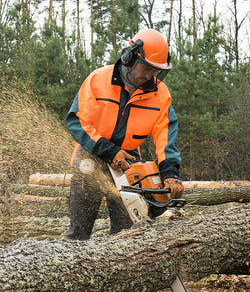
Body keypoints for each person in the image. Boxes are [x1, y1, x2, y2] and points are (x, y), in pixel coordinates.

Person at [65, 28, 184, 240]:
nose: (150, 75)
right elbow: (77, 121)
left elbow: (166, 136)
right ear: (130, 57)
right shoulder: (98, 80)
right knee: (79, 232)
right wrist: (108, 151)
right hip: (91, 156)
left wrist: (170, 173)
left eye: (155, 70)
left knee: (128, 232)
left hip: (128, 162)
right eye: (146, 68)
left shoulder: (159, 95)